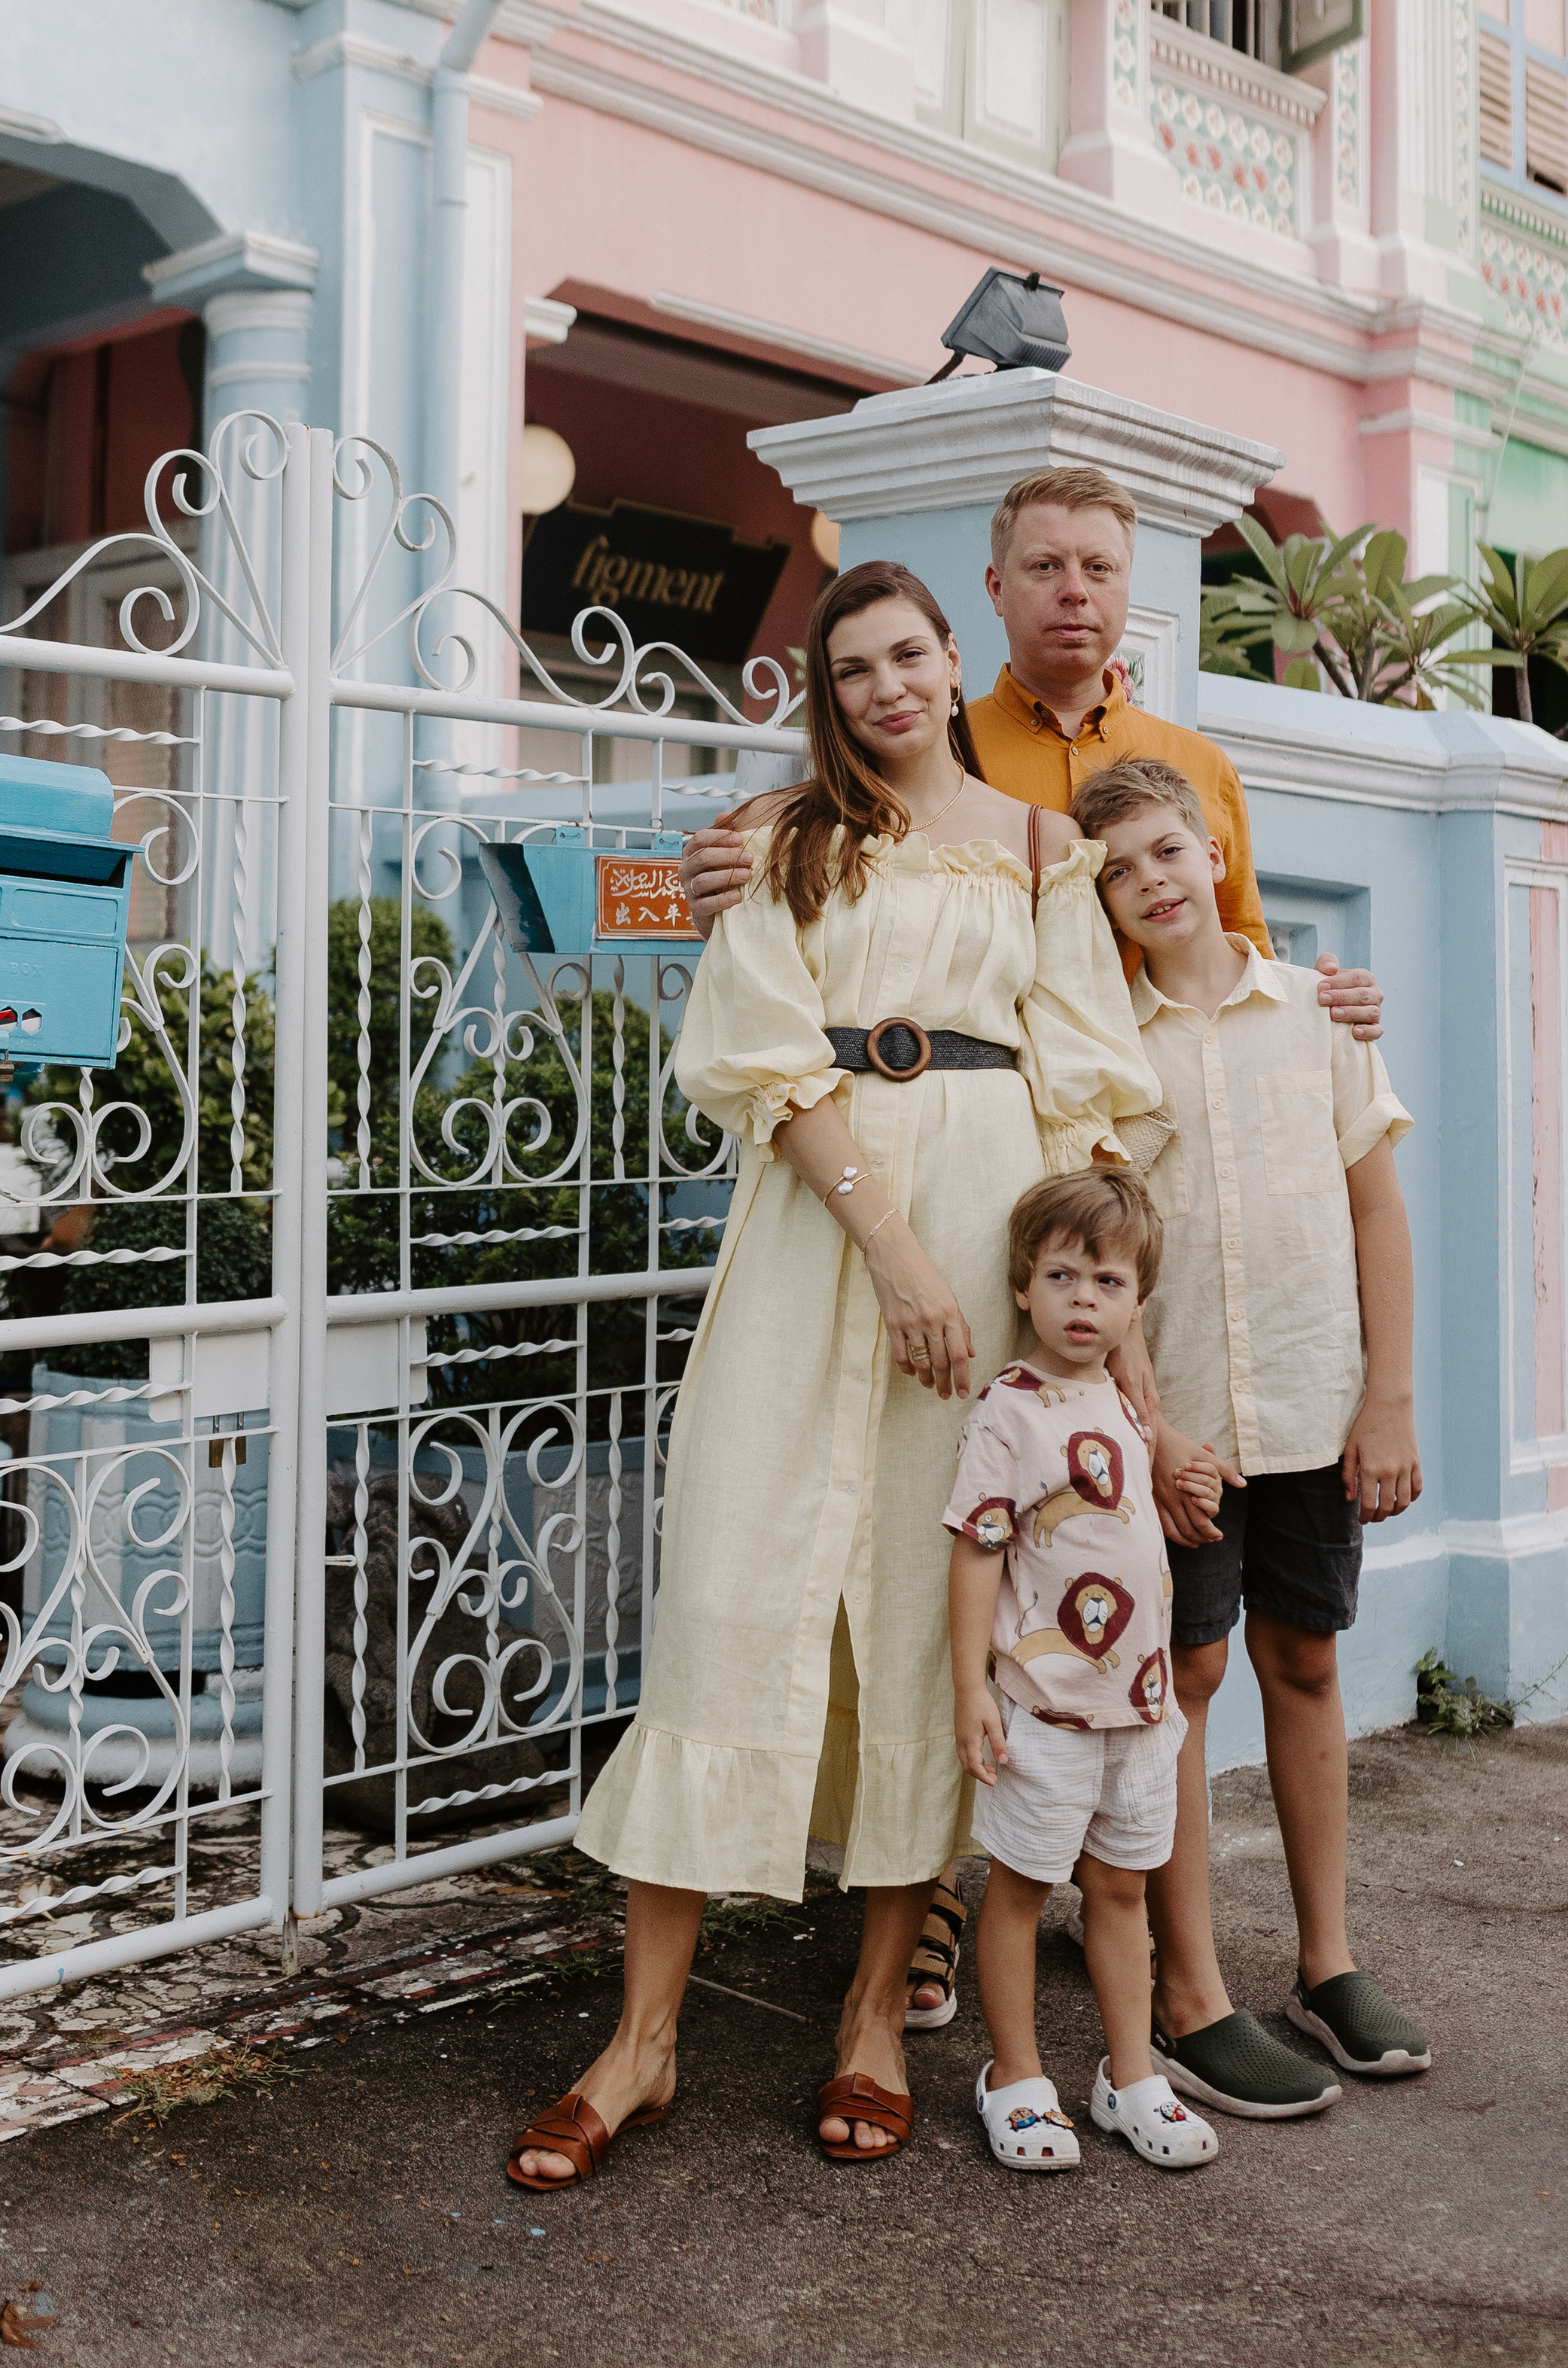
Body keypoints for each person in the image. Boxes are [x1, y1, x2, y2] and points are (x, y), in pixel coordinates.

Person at [678, 462, 1388, 2020]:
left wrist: (1339, 1001)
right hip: (982, 1218)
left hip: (1155, 1226)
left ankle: (1158, 1928)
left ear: (1128, 587)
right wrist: (711, 861)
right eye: (1041, 565)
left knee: (1130, 1594)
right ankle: (934, 1904)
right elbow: (779, 893)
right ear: (986, 593)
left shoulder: (1187, 764)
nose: (1072, 589)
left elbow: (1232, 953)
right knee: (947, 1542)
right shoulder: (926, 742)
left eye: (1097, 566)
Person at [504, 559, 1158, 2191]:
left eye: (909, 655)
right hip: (826, 1237)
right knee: (729, 1585)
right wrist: (897, 1254)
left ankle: (873, 2015)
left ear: (956, 665)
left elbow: (1086, 1095)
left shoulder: (1037, 847)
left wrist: (1107, 1363)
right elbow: (757, 1049)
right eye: (853, 664)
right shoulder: (783, 839)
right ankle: (641, 2042)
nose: (885, 686)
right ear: (826, 688)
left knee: (923, 1598)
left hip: (986, 1230)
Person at [1072, 756, 1431, 2120]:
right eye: (1121, 869)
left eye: (1169, 849)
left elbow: (1377, 1214)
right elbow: (1109, 1259)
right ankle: (1190, 1988)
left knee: (1305, 1654)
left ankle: (1327, 1964)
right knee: (1189, 1671)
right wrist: (1151, 1430)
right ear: (1101, 900)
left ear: (1214, 845)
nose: (1155, 879)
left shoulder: (1321, 1016)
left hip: (1311, 1394)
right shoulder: (1110, 1043)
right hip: (1191, 1431)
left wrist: (1387, 1398)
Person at [948, 1168, 1222, 2176]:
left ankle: (1130, 2075)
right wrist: (973, 1687)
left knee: (1120, 1894)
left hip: (1141, 1718)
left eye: (1108, 1283)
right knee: (1021, 1892)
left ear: (1136, 1304)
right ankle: (1016, 2078)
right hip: (1047, 1718)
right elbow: (977, 1548)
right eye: (1062, 1277)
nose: (1083, 1301)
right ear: (1024, 1287)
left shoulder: (1126, 1401)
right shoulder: (1009, 1414)